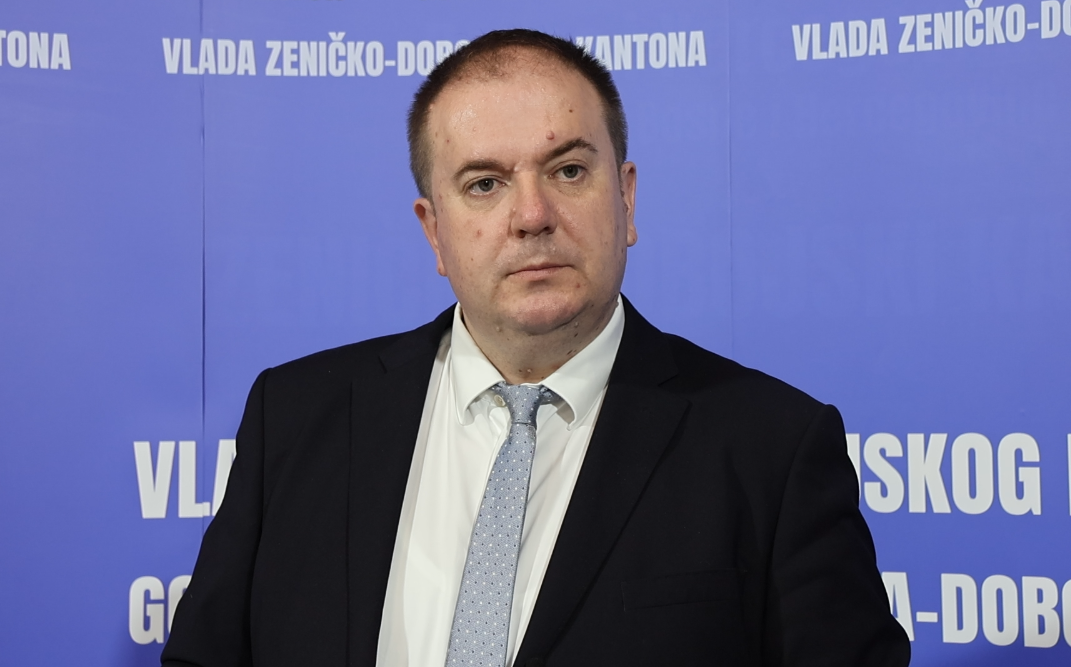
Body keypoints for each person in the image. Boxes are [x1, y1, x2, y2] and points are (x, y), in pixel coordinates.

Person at [161, 29, 910, 667]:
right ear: (434, 231)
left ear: (626, 199)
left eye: (568, 170)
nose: (531, 214)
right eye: (484, 184)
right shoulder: (295, 419)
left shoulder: (771, 448)